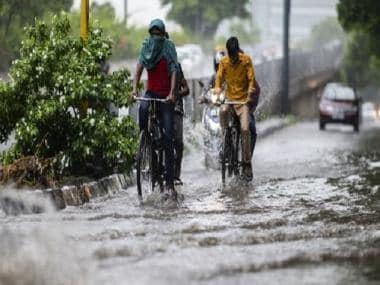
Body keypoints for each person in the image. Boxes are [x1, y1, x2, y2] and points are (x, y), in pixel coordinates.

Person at [132, 19, 178, 197]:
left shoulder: (169, 47)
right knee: (142, 109)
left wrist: (172, 93)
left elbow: (174, 70)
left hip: (165, 96)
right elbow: (138, 70)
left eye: (158, 34)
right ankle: (145, 142)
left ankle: (169, 184)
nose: (155, 37)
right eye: (153, 34)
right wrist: (135, 89)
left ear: (163, 34)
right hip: (151, 92)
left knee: (168, 138)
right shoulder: (146, 46)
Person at [215, 37, 257, 181]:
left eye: (234, 55)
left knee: (245, 129)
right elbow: (219, 78)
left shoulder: (246, 60)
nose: (232, 58)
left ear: (237, 51)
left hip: (242, 101)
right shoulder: (224, 62)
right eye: (230, 55)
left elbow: (251, 79)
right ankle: (224, 136)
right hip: (229, 100)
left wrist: (250, 91)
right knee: (222, 111)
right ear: (228, 52)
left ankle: (246, 164)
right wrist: (217, 89)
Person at [164, 33, 190, 185]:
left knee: (178, 142)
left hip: (175, 109)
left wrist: (174, 94)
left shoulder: (177, 67)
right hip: (160, 106)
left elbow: (186, 89)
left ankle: (176, 173)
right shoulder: (154, 63)